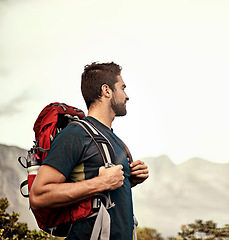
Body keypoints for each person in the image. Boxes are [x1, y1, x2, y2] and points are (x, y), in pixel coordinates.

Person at [29, 62, 149, 239]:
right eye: (122, 88)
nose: (127, 96)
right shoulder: (76, 134)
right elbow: (39, 196)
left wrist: (129, 180)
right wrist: (101, 183)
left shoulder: (115, 140)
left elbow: (103, 191)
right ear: (106, 91)